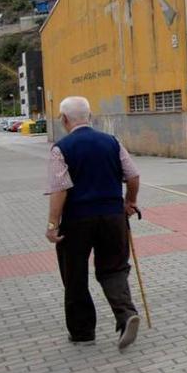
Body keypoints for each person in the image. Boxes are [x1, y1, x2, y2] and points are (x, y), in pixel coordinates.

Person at [45, 96, 141, 350]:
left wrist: (53, 224)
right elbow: (132, 175)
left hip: (77, 221)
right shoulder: (112, 142)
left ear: (64, 119)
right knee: (114, 268)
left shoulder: (61, 148)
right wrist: (129, 202)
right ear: (90, 116)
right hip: (113, 217)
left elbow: (60, 190)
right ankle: (126, 314)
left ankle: (83, 332)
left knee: (74, 273)